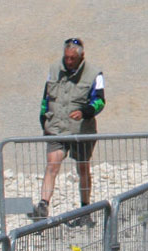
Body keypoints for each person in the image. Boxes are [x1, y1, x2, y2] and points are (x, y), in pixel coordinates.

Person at [35, 37, 104, 219]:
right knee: (52, 165)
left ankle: (85, 208)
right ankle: (43, 204)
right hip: (56, 128)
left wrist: (85, 111)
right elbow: (46, 97)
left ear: (81, 57)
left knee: (82, 168)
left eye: (72, 58)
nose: (68, 61)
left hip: (81, 131)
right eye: (66, 57)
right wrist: (44, 118)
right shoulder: (53, 70)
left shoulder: (95, 74)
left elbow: (100, 100)